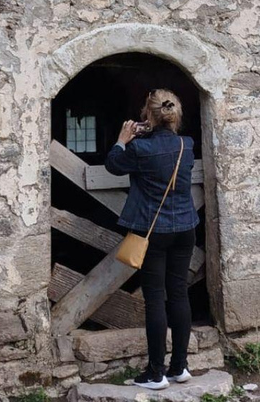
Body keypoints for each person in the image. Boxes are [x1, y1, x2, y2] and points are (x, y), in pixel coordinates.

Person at [105, 89, 199, 390]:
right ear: (175, 115)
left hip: (153, 231)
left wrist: (123, 138)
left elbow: (113, 164)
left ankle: (156, 373)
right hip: (186, 227)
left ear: (148, 115)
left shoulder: (139, 149)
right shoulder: (187, 144)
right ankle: (179, 367)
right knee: (179, 294)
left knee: (156, 298)